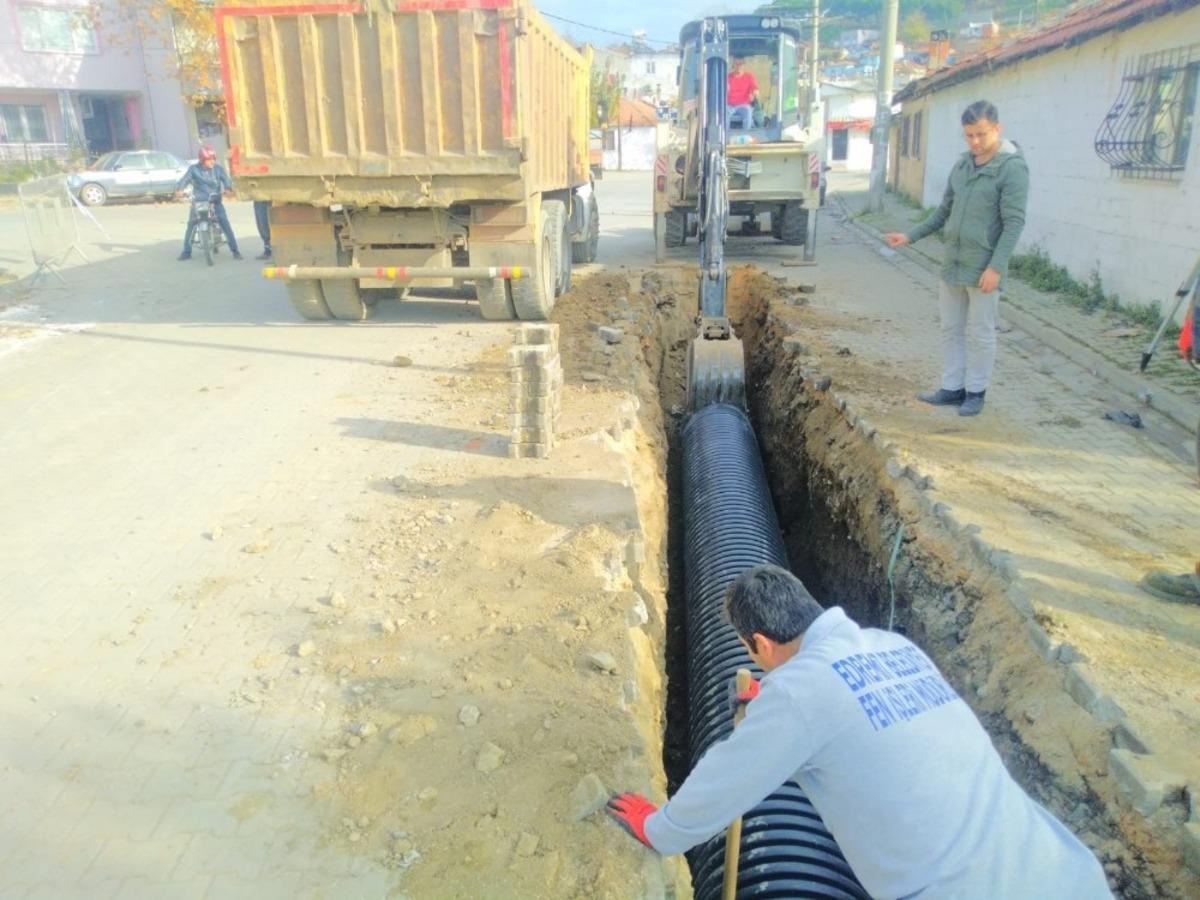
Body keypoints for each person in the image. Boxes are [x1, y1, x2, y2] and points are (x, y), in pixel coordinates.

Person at [606, 565, 1112, 899]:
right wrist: (784, 710)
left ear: (759, 643)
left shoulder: (802, 695)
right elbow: (864, 712)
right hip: (1061, 872)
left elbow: (727, 777)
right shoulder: (891, 646)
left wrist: (661, 828)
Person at [883, 100, 1029, 417]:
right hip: (953, 264)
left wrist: (996, 267)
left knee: (980, 333)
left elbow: (1014, 222)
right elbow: (943, 211)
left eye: (981, 134)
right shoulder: (963, 166)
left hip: (983, 268)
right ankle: (952, 388)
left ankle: (976, 391)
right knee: (951, 328)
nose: (975, 142)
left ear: (997, 129)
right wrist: (910, 236)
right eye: (969, 136)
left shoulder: (1011, 169)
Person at [175, 146, 242, 260]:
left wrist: (228, 188)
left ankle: (235, 251)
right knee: (191, 224)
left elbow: (226, 180)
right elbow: (184, 180)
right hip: (199, 202)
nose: (212, 161)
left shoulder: (218, 169)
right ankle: (186, 251)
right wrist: (179, 190)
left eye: (213, 158)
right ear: (202, 160)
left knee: (224, 223)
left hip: (215, 201)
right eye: (208, 159)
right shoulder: (193, 169)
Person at [726, 57, 759, 129]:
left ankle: (746, 135)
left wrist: (754, 94)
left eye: (740, 64)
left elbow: (755, 89)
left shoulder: (749, 77)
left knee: (748, 112)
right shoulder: (727, 77)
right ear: (733, 65)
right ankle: (725, 136)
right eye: (736, 64)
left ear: (744, 65)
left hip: (743, 105)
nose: (738, 66)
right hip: (729, 105)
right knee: (724, 113)